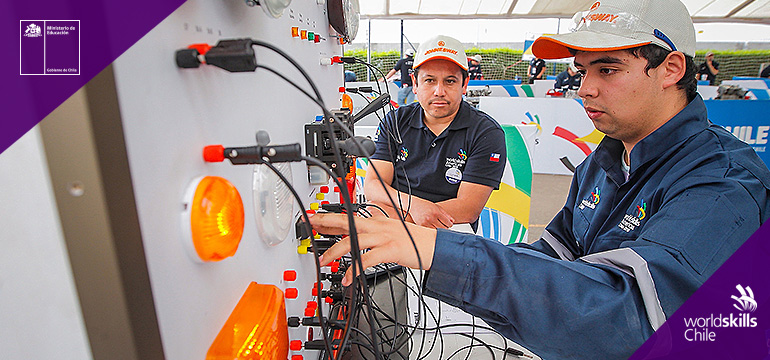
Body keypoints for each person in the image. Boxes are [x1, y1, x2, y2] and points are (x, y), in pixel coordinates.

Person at [310, 0, 770, 358]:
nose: (585, 89)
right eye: (582, 71)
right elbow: (550, 261)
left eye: (606, 69)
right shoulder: (600, 165)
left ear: (671, 69)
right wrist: (437, 259)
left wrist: (437, 249)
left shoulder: (722, 181)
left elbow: (629, 320)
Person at [366, 35, 506, 231]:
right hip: (393, 222)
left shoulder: (486, 132)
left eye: (449, 81)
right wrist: (415, 207)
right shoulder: (395, 120)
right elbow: (373, 185)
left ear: (464, 85)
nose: (439, 91)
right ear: (415, 83)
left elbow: (467, 208)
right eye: (429, 80)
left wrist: (397, 221)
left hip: (450, 231)